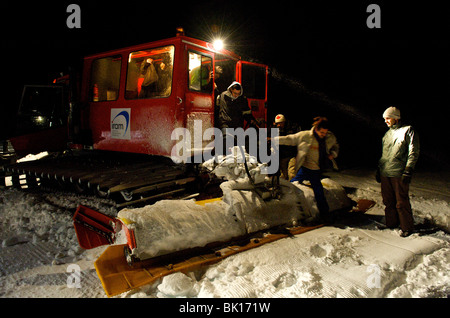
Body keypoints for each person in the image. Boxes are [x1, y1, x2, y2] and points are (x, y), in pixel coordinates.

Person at [275, 117, 339, 220]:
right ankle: (292, 210)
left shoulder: (329, 137)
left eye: (325, 133)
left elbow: (335, 146)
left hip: (316, 170)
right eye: (321, 132)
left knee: (318, 191)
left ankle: (324, 213)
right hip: (304, 168)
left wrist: (333, 154)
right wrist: (273, 139)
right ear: (316, 129)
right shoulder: (305, 136)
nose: (323, 134)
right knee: (292, 185)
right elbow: (289, 139)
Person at [377, 106, 420, 237]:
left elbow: (413, 151)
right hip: (386, 172)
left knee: (401, 201)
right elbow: (385, 154)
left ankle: (407, 227)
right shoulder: (387, 134)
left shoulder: (408, 130)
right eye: (384, 119)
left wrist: (408, 169)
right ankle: (391, 223)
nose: (385, 121)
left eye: (388, 118)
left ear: (396, 118)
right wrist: (379, 168)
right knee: (388, 200)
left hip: (399, 173)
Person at [216, 81, 258, 155]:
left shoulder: (242, 99)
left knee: (239, 145)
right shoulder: (223, 96)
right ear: (231, 90)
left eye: (238, 94)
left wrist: (251, 119)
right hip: (226, 123)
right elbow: (217, 108)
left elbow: (246, 112)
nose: (236, 95)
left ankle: (238, 162)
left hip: (237, 125)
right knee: (226, 141)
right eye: (235, 93)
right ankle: (224, 159)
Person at [273, 114, 300, 180]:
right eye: (277, 124)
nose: (278, 125)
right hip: (283, 156)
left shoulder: (293, 128)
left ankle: (293, 188)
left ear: (284, 122)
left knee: (291, 174)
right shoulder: (276, 130)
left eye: (280, 123)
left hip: (292, 155)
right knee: (283, 176)